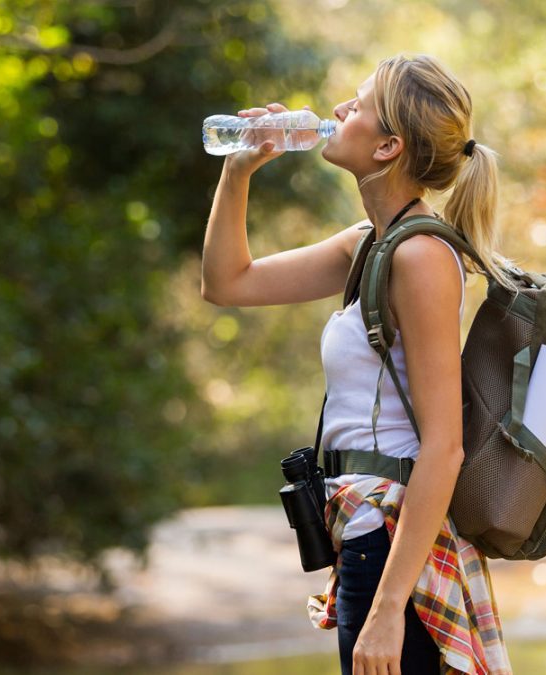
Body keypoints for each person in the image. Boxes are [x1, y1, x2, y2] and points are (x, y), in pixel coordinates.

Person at [201, 54, 514, 674]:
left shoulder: (421, 257)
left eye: (358, 103)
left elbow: (443, 447)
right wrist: (239, 171)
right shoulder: (369, 244)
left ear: (388, 146)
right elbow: (226, 282)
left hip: (395, 546)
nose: (338, 109)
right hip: (364, 535)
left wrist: (388, 608)